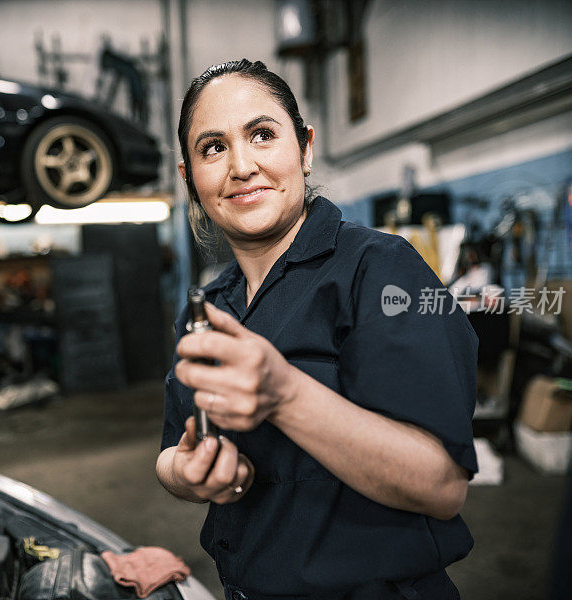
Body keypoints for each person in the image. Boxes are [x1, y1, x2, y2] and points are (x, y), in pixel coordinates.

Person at [156, 59, 478, 600]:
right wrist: (187, 475)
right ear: (190, 177)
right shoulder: (210, 306)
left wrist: (283, 393)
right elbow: (171, 449)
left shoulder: (380, 269)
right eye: (213, 147)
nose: (241, 165)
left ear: (304, 149)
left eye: (262, 135)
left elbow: (443, 486)